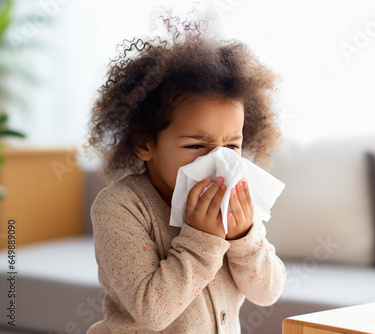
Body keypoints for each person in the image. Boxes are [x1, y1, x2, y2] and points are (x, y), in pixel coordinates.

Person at [85, 9, 286, 334]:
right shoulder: (120, 208)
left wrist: (243, 238)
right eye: (196, 146)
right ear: (145, 142)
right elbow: (152, 311)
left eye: (232, 147)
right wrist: (203, 239)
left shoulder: (235, 203)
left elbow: (267, 293)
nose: (219, 162)